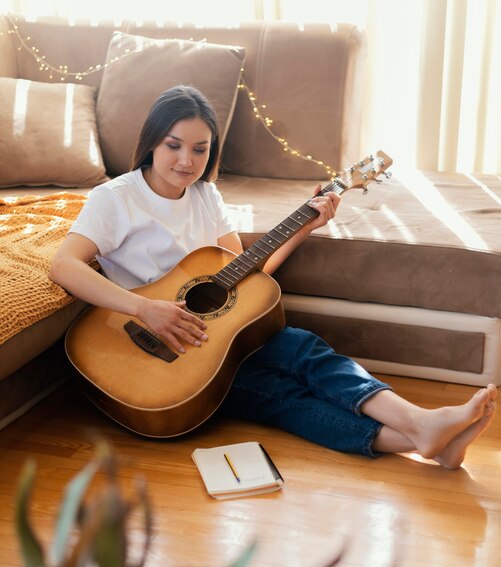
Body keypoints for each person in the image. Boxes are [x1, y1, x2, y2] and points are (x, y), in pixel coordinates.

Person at [49, 85, 497, 469]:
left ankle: (425, 439)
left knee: (305, 353)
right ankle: (422, 430)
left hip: (212, 340)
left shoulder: (207, 196)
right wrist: (145, 307)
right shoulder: (116, 199)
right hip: (151, 350)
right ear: (152, 142)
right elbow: (64, 265)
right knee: (281, 397)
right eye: (173, 145)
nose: (186, 161)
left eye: (200, 149)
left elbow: (242, 276)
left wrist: (305, 226)